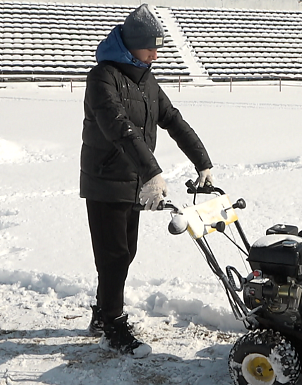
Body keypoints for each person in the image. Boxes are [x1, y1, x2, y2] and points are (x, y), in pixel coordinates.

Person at [80, 4, 214, 357]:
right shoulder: (102, 78)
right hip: (105, 179)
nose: (156, 53)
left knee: (125, 253)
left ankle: (102, 311)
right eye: (150, 46)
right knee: (114, 255)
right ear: (130, 44)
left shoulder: (146, 78)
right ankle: (112, 324)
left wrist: (203, 163)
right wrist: (153, 171)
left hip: (134, 181)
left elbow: (173, 120)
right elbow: (118, 128)